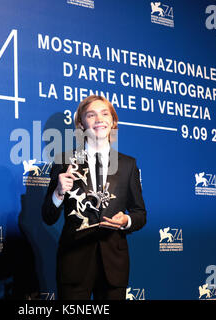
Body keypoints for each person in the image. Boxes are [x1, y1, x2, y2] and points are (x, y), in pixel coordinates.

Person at [42, 95, 147, 300]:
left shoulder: (128, 165)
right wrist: (59, 192)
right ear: (81, 124)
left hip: (114, 265)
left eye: (105, 113)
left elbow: (140, 213)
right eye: (91, 115)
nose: (99, 119)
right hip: (74, 262)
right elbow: (48, 216)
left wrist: (126, 220)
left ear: (113, 122)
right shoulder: (63, 161)